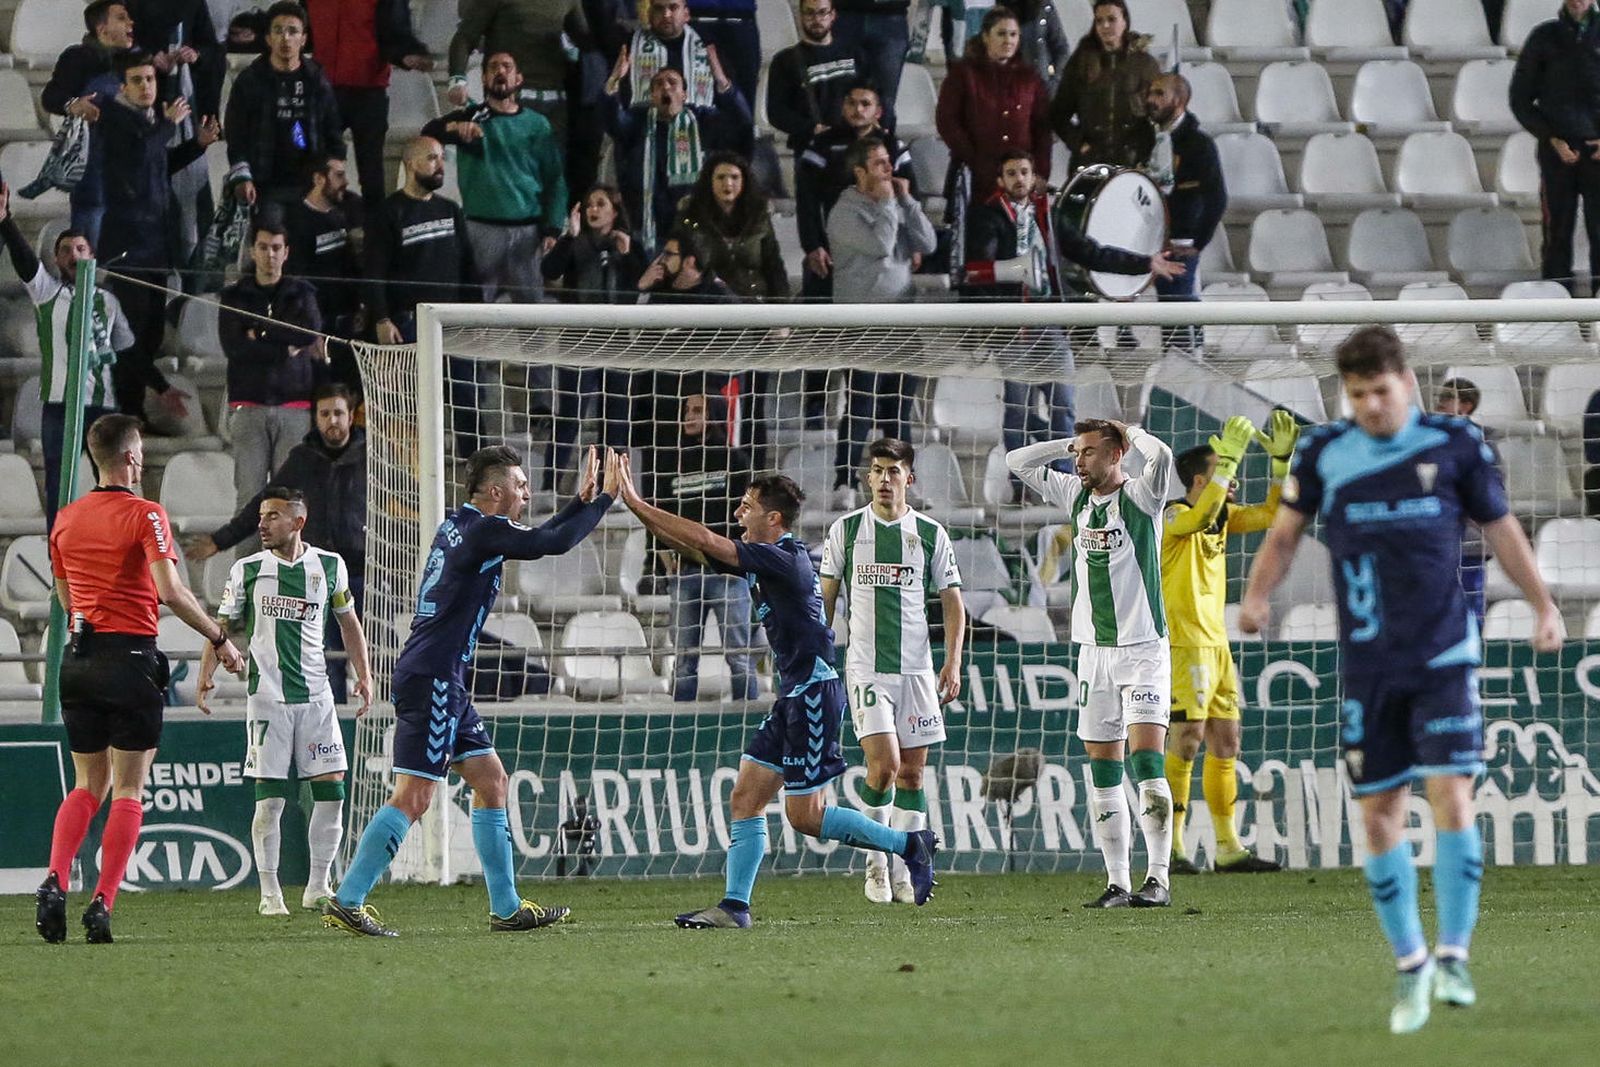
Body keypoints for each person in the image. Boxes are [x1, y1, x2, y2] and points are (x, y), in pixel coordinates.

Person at [1238, 325, 1564, 1033]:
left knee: (1452, 794)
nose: (1371, 406)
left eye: (1380, 391)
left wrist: (1542, 604)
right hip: (1367, 665)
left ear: (1406, 382)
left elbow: (1501, 529)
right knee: (1379, 814)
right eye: (1357, 395)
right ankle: (1412, 964)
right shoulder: (1326, 449)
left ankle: (1454, 954)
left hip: (1445, 653)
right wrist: (1258, 595)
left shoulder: (1454, 445)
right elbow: (1286, 532)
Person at [612, 456, 939, 928]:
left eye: (746, 508)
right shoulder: (763, 558)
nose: (738, 515)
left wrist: (636, 502)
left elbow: (705, 539)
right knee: (745, 797)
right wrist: (641, 516)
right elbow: (693, 545)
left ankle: (910, 845)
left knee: (806, 817)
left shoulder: (784, 559)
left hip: (813, 693)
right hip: (793, 695)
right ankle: (734, 907)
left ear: (774, 520)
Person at [324, 445, 619, 936]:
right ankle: (349, 898)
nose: (527, 494)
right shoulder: (485, 531)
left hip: (442, 676)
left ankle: (506, 907)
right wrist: (605, 500)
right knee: (415, 796)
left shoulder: (459, 525)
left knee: (491, 781)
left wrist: (579, 501)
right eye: (521, 486)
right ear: (497, 491)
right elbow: (557, 542)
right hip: (435, 676)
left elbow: (546, 532)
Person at [35, 414, 245, 945]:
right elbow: (171, 591)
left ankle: (55, 880)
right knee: (129, 787)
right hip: (129, 659)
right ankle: (102, 902)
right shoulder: (145, 514)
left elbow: (65, 599)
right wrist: (219, 637)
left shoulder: (65, 519)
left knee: (88, 784)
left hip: (78, 662)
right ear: (131, 458)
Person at [1006, 418, 1177, 908]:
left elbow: (1162, 458)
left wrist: (1136, 432)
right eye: (1075, 454)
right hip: (1092, 654)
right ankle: (1117, 881)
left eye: (1088, 453)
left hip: (1143, 650)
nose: (1078, 462)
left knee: (1146, 761)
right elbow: (1017, 462)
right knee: (1103, 771)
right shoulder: (1073, 496)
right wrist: (1067, 443)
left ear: (1116, 454)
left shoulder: (1144, 497)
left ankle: (1159, 878)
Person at [964, 149, 1182, 501]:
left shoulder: (1047, 215)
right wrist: (1012, 270)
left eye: (1024, 171)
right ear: (1000, 181)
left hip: (1050, 325)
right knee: (1018, 410)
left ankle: (1068, 479)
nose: (1019, 179)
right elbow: (975, 270)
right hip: (1011, 329)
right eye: (1011, 173)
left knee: (1064, 404)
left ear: (1034, 177)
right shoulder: (987, 216)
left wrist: (1144, 263)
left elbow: (1089, 251)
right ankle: (1023, 487)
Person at [197, 486, 373, 916]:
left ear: (298, 521)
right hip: (267, 700)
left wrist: (364, 675)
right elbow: (220, 627)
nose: (262, 523)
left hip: (317, 700)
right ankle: (270, 892)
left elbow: (349, 623)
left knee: (332, 794)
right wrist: (206, 674)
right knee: (270, 801)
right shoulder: (246, 570)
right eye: (260, 516)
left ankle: (317, 885)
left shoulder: (329, 566)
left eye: (273, 515)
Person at [820, 438, 965, 904]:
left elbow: (953, 601)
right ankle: (877, 863)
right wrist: (818, 652)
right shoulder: (845, 531)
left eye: (894, 471)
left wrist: (953, 659)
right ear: (868, 477)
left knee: (913, 776)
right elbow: (824, 598)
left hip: (918, 671)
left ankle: (907, 869)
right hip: (866, 670)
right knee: (883, 767)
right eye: (878, 470)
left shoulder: (929, 534)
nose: (885, 479)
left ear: (909, 478)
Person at [1161, 412, 1297, 876]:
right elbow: (1199, 515)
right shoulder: (1174, 515)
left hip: (1217, 645)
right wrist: (1228, 464)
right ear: (1201, 478)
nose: (1233, 481)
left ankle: (1227, 847)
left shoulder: (1220, 515)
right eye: (1224, 472)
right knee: (1186, 739)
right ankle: (1172, 849)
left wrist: (1280, 465)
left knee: (1227, 739)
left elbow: (1274, 514)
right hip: (1183, 644)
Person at [185, 383, 367, 697]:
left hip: (366, 573)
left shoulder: (373, 457)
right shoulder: (302, 458)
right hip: (319, 576)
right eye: (325, 414)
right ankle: (334, 723)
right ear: (316, 418)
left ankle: (385, 725)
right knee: (326, 661)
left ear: (351, 417)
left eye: (339, 413)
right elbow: (264, 503)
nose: (332, 421)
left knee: (378, 656)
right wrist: (220, 540)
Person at [0, 184, 131, 531]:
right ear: (57, 260)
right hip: (60, 404)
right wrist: (5, 220)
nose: (73, 255)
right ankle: (59, 564)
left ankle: (110, 551)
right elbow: (25, 262)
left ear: (92, 257)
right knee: (59, 484)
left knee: (114, 485)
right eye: (66, 250)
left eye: (80, 248)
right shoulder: (47, 293)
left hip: (102, 406)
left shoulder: (109, 301)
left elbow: (127, 353)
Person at [94, 50, 208, 428]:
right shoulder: (113, 119)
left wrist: (198, 145)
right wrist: (167, 124)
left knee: (152, 333)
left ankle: (135, 406)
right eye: (138, 80)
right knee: (129, 333)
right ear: (123, 86)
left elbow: (159, 164)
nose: (147, 86)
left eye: (151, 79)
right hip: (127, 247)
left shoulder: (149, 120)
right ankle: (128, 410)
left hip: (157, 244)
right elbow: (142, 157)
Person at [827, 137, 936, 510]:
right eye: (878, 164)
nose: (888, 170)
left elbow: (928, 242)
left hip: (903, 325)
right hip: (863, 325)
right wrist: (891, 202)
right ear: (859, 172)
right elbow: (881, 246)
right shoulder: (844, 213)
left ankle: (902, 481)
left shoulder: (896, 203)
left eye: (888, 162)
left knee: (899, 411)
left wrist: (908, 201)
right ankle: (843, 482)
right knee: (860, 406)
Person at [365, 137, 482, 455]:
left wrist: (479, 316)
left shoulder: (451, 210)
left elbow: (469, 267)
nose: (440, 165)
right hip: (409, 325)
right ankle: (412, 481)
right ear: (410, 164)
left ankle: (479, 474)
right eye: (432, 158)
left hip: (455, 325)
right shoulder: (388, 213)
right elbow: (374, 272)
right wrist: (381, 317)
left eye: (442, 157)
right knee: (411, 408)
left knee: (469, 401)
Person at [423, 51, 569, 305]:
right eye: (493, 67)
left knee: (531, 319)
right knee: (475, 315)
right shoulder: (470, 116)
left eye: (507, 66)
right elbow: (428, 134)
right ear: (484, 78)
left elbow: (555, 179)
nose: (500, 71)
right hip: (480, 230)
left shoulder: (537, 124)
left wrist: (553, 227)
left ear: (518, 78)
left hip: (527, 232)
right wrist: (455, 129)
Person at [653, 391, 760, 702]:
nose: (689, 416)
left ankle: (750, 729)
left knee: (739, 657)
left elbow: (750, 514)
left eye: (697, 410)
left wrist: (741, 557)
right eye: (687, 410)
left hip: (728, 574)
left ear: (713, 415)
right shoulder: (670, 460)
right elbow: (660, 514)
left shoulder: (735, 460)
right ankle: (679, 736)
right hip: (685, 574)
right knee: (684, 661)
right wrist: (662, 557)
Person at [541, 184, 648, 491]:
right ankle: (549, 486)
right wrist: (569, 237)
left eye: (601, 204)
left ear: (615, 211)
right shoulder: (575, 243)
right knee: (570, 417)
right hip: (579, 341)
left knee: (616, 419)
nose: (593, 210)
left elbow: (641, 288)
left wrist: (627, 255)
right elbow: (549, 269)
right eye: (589, 204)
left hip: (618, 343)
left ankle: (614, 487)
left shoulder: (630, 245)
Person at [220, 221, 326, 513]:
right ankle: (247, 560)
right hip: (248, 404)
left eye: (276, 248)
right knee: (249, 499)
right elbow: (235, 348)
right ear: (253, 251)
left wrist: (261, 333)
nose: (270, 255)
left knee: (290, 499)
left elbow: (308, 333)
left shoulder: (302, 293)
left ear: (286, 252)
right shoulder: (234, 296)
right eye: (264, 247)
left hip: (294, 404)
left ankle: (287, 560)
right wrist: (285, 347)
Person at [604, 54, 752, 255]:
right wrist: (613, 81)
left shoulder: (702, 120)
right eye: (658, 84)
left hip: (696, 226)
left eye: (672, 83)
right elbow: (613, 121)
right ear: (652, 96)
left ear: (684, 94)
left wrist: (723, 84)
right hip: (650, 227)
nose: (665, 87)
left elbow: (741, 122)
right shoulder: (638, 121)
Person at [1509, 0, 1600, 292]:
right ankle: (1557, 307)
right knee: (1557, 233)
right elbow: (1520, 99)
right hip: (1556, 153)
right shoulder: (1543, 37)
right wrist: (1551, 137)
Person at [795, 80, 914, 304]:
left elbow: (908, 197)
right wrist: (812, 245)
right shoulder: (821, 144)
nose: (857, 110)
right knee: (830, 326)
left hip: (887, 245)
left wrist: (913, 244)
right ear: (843, 107)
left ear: (878, 111)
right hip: (836, 247)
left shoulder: (893, 146)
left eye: (865, 104)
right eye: (851, 103)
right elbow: (806, 200)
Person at [307, 0, 433, 204]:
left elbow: (396, 30)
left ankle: (375, 230)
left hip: (369, 91)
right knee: (320, 168)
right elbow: (301, 26)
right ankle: (323, 228)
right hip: (324, 90)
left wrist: (407, 54)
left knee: (371, 173)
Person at [223, 2, 345, 212]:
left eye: (292, 31)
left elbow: (332, 128)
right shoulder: (251, 80)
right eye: (278, 31)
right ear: (268, 38)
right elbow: (236, 134)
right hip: (266, 181)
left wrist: (335, 166)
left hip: (310, 182)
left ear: (303, 39)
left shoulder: (316, 79)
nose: (285, 38)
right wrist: (242, 175)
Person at [41, 0, 136, 244]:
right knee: (89, 246)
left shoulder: (136, 62)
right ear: (102, 29)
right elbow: (51, 97)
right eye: (122, 17)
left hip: (129, 171)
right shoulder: (78, 57)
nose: (131, 23)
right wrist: (73, 105)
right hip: (94, 171)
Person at [935, 6, 1053, 199]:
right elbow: (947, 121)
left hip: (1020, 180)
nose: (1008, 40)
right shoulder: (963, 74)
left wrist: (1040, 171)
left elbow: (1041, 127)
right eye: (1001, 34)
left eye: (1013, 34)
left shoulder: (1030, 77)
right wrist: (973, 158)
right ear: (985, 37)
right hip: (975, 176)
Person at [1144, 72, 1224, 347]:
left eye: (1159, 94)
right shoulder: (1147, 140)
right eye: (1150, 93)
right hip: (1148, 242)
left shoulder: (1199, 145)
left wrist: (1197, 243)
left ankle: (1185, 374)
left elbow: (1217, 198)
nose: (1150, 100)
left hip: (1179, 243)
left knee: (1177, 316)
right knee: (1169, 316)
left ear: (1179, 101)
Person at [284, 153, 365, 391]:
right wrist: (310, 331)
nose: (346, 182)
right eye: (338, 175)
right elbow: (295, 282)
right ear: (319, 179)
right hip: (319, 326)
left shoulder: (345, 212)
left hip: (348, 324)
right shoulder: (297, 220)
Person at [1051, 0, 1161, 171]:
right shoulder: (1081, 61)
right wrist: (1080, 144)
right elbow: (1058, 114)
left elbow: (1158, 113)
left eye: (1111, 19)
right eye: (1099, 21)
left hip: (1133, 163)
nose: (1105, 26)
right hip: (1089, 163)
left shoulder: (1145, 64)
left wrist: (1146, 152)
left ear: (1125, 21)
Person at [1434, 377, 1500, 629]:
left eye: (1447, 398)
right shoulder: (1428, 438)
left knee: (1471, 607)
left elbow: (1494, 490)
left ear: (1466, 406)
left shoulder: (1483, 442)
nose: (1439, 403)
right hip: (1436, 540)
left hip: (1470, 541)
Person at [766, 0, 863, 152]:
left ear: (833, 15)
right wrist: (811, 128)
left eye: (822, 12)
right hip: (810, 149)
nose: (817, 20)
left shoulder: (854, 52)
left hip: (856, 146)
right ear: (801, 16)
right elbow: (776, 112)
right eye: (810, 13)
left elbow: (874, 94)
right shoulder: (785, 60)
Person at [833, 0, 910, 125]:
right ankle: (838, 142)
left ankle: (884, 140)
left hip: (891, 16)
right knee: (838, 92)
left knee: (885, 98)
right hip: (844, 14)